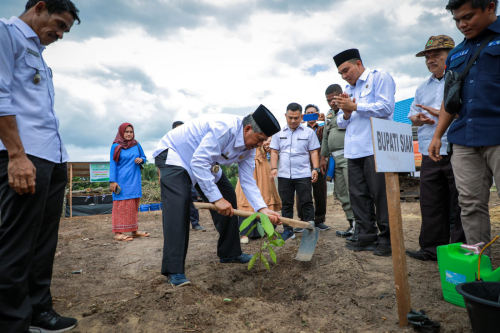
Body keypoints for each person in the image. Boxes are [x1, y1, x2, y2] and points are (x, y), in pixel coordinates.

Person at [0, 1, 80, 332]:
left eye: (65, 31)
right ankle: (12, 322)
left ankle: (39, 312)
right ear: (39, 7)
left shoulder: (37, 53)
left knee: (43, 243)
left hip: (50, 157)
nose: (60, 35)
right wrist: (17, 156)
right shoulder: (6, 35)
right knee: (17, 245)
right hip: (24, 156)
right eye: (59, 25)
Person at [153, 105, 281, 287]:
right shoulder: (224, 129)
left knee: (229, 196)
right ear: (247, 129)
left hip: (204, 163)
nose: (260, 145)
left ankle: (230, 253)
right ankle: (174, 271)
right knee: (178, 207)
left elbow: (248, 181)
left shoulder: (250, 146)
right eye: (259, 139)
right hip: (176, 155)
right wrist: (216, 199)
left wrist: (263, 209)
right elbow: (198, 162)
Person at [429, 0, 500, 249]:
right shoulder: (457, 54)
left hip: (497, 135)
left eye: (468, 17)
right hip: (464, 140)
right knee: (469, 205)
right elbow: (451, 101)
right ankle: (480, 270)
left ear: (490, 7)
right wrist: (438, 134)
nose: (462, 25)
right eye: (457, 20)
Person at [406, 35, 466, 261]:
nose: (431, 60)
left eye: (436, 55)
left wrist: (439, 113)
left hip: (456, 148)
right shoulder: (422, 87)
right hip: (430, 151)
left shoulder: (460, 79)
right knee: (431, 201)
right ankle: (431, 248)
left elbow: (463, 112)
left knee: (459, 202)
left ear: (450, 55)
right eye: (427, 57)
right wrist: (419, 118)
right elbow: (413, 114)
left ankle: (460, 250)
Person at [333, 48, 396, 257]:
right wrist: (347, 111)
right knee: (358, 195)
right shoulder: (346, 89)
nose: (344, 76)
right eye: (341, 73)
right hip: (354, 150)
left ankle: (388, 238)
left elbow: (386, 107)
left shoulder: (380, 78)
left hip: (375, 146)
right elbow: (342, 122)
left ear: (358, 64)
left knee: (380, 195)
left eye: (346, 70)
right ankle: (366, 235)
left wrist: (356, 106)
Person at [270, 103, 320, 241]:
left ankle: (309, 229)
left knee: (306, 201)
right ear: (285, 116)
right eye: (290, 117)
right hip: (284, 175)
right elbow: (274, 151)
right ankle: (288, 230)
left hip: (303, 174)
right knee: (286, 203)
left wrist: (315, 168)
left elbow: (313, 151)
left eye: (296, 118)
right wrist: (274, 168)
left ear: (301, 117)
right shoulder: (278, 134)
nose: (293, 121)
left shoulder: (308, 133)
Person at [320, 84, 356, 237]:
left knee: (353, 191)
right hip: (335, 158)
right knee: (341, 192)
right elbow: (326, 137)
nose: (331, 103)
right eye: (328, 101)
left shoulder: (348, 109)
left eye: (333, 99)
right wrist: (323, 156)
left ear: (340, 95)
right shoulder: (329, 114)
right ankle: (352, 224)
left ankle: (363, 226)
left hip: (349, 155)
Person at [235, 137, 281, 243]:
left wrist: (268, 146)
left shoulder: (267, 134)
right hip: (248, 169)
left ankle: (268, 231)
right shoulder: (245, 134)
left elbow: (272, 148)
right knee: (245, 199)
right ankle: (244, 233)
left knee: (266, 196)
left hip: (263, 168)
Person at [109, 123, 150, 241]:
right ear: (121, 132)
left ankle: (134, 231)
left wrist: (141, 159)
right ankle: (118, 233)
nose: (128, 134)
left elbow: (144, 157)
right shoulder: (116, 146)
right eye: (126, 132)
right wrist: (112, 181)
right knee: (120, 206)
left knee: (133, 205)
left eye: (131, 132)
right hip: (121, 181)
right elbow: (113, 164)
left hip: (134, 180)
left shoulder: (136, 145)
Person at [295, 104, 330, 231]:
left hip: (319, 163)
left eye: (313, 113)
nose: (311, 115)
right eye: (308, 113)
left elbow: (330, 135)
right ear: (304, 115)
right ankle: (303, 220)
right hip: (303, 164)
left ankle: (319, 220)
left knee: (320, 191)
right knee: (302, 192)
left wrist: (325, 120)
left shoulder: (323, 128)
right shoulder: (299, 129)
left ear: (318, 114)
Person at [167, 121, 205, 231]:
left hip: (190, 177)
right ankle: (180, 226)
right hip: (176, 177)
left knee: (192, 198)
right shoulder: (169, 145)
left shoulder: (190, 143)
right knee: (177, 201)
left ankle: (195, 223)